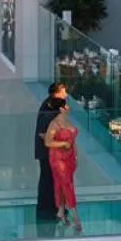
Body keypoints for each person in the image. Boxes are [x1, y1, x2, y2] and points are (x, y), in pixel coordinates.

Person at [44, 99, 81, 232]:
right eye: (66, 105)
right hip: (58, 158)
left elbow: (73, 141)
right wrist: (63, 144)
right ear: (61, 108)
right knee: (67, 185)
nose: (68, 106)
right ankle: (76, 217)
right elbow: (48, 142)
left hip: (69, 158)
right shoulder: (54, 124)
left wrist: (75, 156)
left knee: (62, 184)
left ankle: (61, 211)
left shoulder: (67, 121)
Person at [34, 84, 67, 221]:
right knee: (47, 179)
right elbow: (43, 133)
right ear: (56, 93)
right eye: (63, 91)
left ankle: (54, 207)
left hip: (51, 152)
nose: (66, 94)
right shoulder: (47, 108)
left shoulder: (54, 107)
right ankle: (47, 208)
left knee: (52, 179)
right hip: (47, 152)